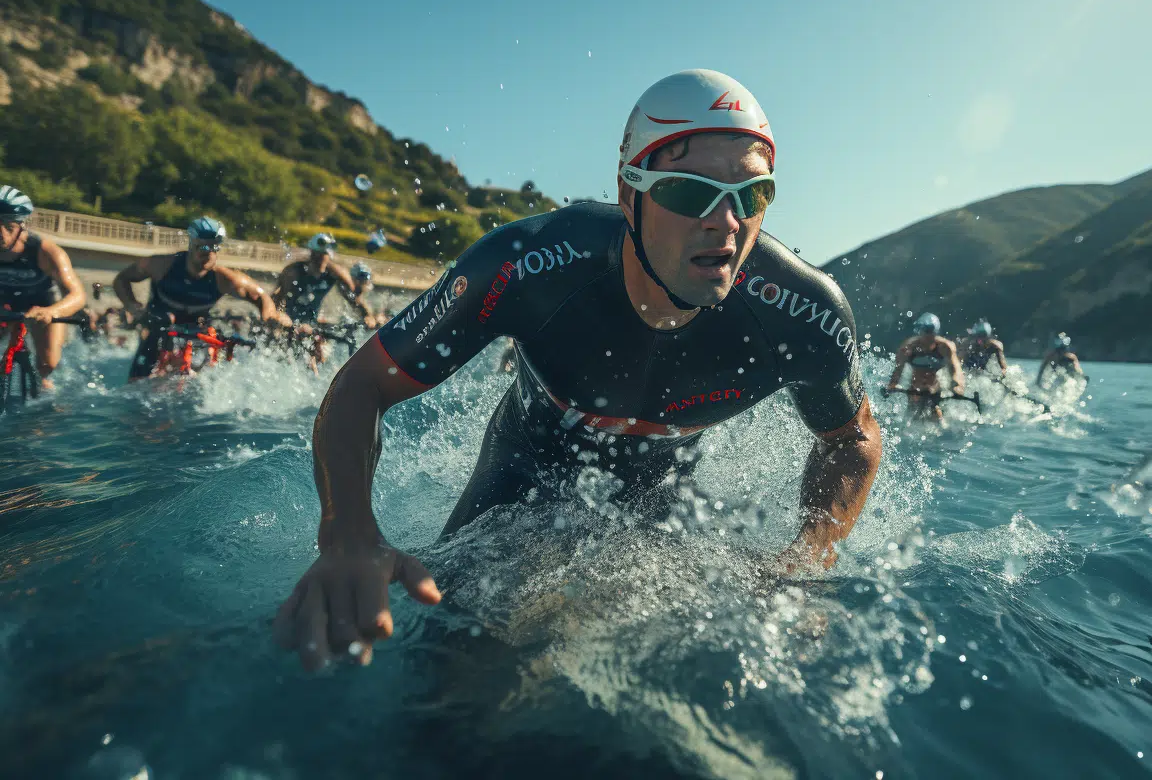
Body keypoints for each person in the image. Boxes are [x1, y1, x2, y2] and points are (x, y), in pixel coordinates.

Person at [274, 69, 883, 671]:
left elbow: (853, 438)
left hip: (663, 499)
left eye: (750, 194)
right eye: (691, 191)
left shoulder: (803, 313)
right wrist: (348, 530)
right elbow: (362, 384)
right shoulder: (532, 264)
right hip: (521, 475)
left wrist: (807, 558)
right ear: (629, 194)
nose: (724, 221)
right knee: (461, 666)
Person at [113, 216, 289, 380]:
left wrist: (270, 318)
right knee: (157, 334)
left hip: (197, 328)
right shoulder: (161, 265)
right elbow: (121, 279)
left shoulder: (224, 279)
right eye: (203, 247)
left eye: (215, 247)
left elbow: (263, 297)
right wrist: (132, 305)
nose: (209, 253)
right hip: (159, 324)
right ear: (191, 244)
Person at [0, 185, 87, 388]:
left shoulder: (46, 251)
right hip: (4, 301)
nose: (0, 234)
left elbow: (77, 294)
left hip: (43, 302)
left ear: (22, 226)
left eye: (8, 227)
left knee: (47, 365)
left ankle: (47, 395)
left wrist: (51, 311)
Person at [272, 234, 376, 366]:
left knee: (320, 356)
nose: (320, 259)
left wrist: (368, 315)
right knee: (297, 353)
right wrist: (281, 321)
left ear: (329, 256)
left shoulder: (334, 273)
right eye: (317, 255)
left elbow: (354, 299)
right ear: (311, 253)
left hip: (313, 324)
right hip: (289, 322)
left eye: (324, 255)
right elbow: (276, 301)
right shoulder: (294, 272)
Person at [884, 312, 965, 421]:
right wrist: (892, 385)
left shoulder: (945, 347)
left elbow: (956, 370)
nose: (928, 336)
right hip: (914, 390)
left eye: (932, 333)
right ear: (920, 332)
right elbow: (897, 371)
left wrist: (958, 386)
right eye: (926, 332)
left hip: (934, 389)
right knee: (913, 417)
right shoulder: (908, 347)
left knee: (936, 414)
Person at [348, 261, 387, 326]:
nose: (367, 282)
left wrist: (378, 315)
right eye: (363, 281)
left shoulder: (376, 296)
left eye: (368, 280)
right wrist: (369, 315)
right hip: (367, 318)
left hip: (373, 316)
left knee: (379, 319)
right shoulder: (354, 292)